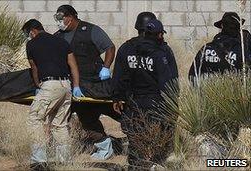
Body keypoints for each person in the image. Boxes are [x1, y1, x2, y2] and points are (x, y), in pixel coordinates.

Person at [112, 14, 178, 169]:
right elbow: (170, 79)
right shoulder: (162, 50)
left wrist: (117, 97)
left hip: (133, 101)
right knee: (161, 137)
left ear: (137, 27)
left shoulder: (126, 48)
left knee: (135, 136)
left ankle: (136, 166)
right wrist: (174, 103)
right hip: (157, 102)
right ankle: (156, 164)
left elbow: (119, 76)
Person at [53, 5, 118, 160]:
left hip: (95, 82)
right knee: (83, 116)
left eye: (62, 18)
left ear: (71, 16)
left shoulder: (90, 30)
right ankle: (101, 145)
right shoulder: (58, 36)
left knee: (114, 110)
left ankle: (139, 138)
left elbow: (110, 48)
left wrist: (106, 68)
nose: (60, 22)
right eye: (58, 19)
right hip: (73, 85)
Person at [22, 19, 81, 170]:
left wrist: (38, 85)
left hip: (49, 85)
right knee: (59, 124)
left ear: (32, 31)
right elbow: (73, 65)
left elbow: (34, 68)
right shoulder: (61, 42)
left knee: (34, 118)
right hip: (66, 85)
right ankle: (64, 161)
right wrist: (76, 86)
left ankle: (39, 160)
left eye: (27, 34)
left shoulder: (31, 44)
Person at [189, 12, 251, 84]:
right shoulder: (242, 51)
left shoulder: (206, 49)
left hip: (206, 93)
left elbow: (192, 76)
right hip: (235, 94)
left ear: (222, 26)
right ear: (238, 28)